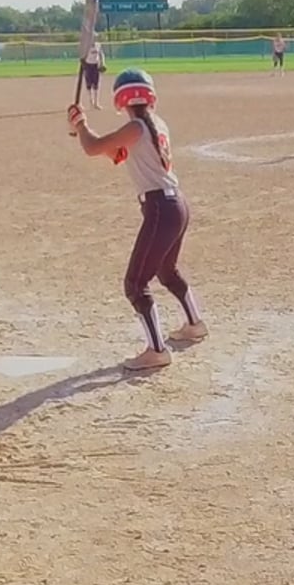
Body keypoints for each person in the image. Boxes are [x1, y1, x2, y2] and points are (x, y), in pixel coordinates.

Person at [67, 68, 208, 371]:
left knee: (135, 283)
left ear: (121, 100)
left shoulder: (136, 127)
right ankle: (195, 323)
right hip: (176, 205)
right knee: (166, 271)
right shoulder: (155, 124)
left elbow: (93, 147)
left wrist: (81, 125)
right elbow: (116, 154)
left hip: (160, 209)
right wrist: (82, 127)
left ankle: (157, 350)